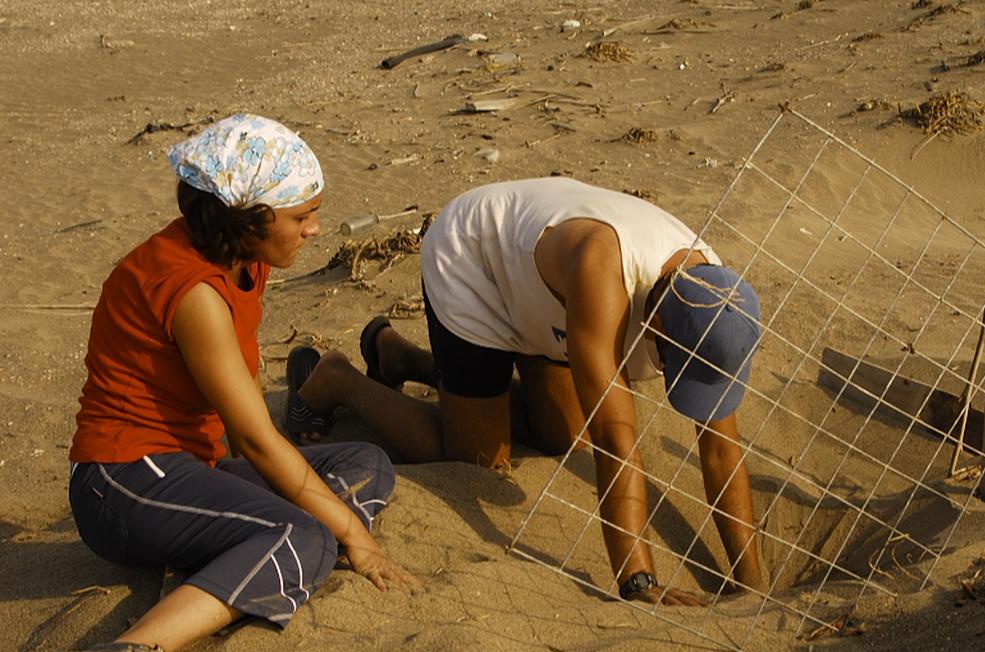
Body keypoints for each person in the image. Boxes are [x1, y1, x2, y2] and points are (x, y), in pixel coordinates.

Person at [53, 115, 419, 652]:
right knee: (303, 533)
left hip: (186, 465)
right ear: (248, 218)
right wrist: (352, 533)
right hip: (122, 480)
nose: (315, 227)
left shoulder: (245, 260)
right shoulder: (193, 292)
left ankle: (248, 558)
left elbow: (246, 433)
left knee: (364, 460)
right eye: (301, 216)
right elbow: (253, 436)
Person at [288, 177, 766, 605]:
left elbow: (722, 452)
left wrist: (752, 589)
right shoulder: (606, 273)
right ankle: (340, 380)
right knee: (476, 459)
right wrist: (639, 582)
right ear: (656, 318)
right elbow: (617, 444)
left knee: (561, 437)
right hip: (476, 263)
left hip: (549, 298)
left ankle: (402, 357)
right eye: (669, 360)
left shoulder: (717, 301)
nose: (668, 372)